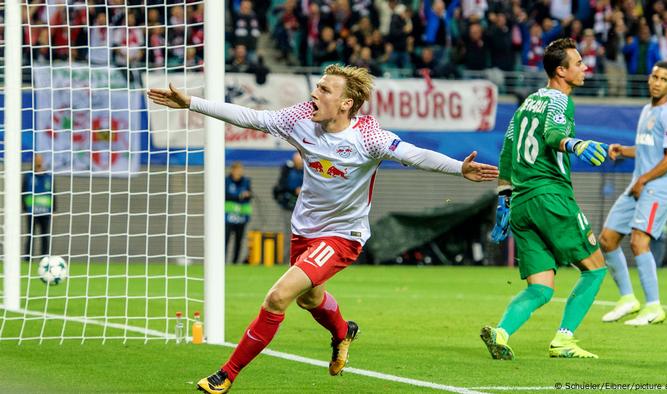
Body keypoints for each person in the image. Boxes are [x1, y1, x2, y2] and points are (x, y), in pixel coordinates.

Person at [148, 64, 499, 393]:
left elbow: (413, 154)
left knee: (278, 297)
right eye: (317, 86)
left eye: (325, 89)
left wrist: (458, 169)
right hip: (305, 231)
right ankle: (343, 332)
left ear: (346, 103)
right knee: (309, 298)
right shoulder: (300, 118)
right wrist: (190, 102)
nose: (315, 93)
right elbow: (252, 117)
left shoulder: (369, 137)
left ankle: (227, 374)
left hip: (343, 235)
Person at [485, 38, 612, 360]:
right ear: (561, 70)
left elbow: (506, 154)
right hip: (550, 196)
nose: (585, 68)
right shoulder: (559, 101)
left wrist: (504, 201)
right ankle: (564, 340)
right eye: (579, 63)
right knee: (595, 269)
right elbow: (554, 137)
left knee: (541, 287)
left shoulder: (526, 104)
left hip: (523, 204)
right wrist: (576, 145)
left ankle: (501, 332)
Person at [598, 61, 667, 326]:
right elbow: (648, 149)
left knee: (639, 242)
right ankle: (627, 299)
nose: (657, 82)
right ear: (649, 79)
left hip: (656, 188)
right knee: (607, 239)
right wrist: (623, 150)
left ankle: (654, 306)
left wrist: (643, 179)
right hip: (639, 185)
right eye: (654, 77)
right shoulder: (647, 109)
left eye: (664, 79)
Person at [22, 154, 55, 261]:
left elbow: (53, 193)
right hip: (32, 210)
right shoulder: (28, 176)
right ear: (34, 161)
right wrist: (24, 208)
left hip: (45, 211)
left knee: (45, 235)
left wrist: (54, 209)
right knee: (30, 234)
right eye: (37, 159)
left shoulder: (48, 177)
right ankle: (27, 258)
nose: (39, 161)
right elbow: (23, 192)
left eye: (40, 159)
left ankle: (44, 258)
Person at [273, 152, 304, 262]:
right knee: (289, 234)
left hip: (303, 209)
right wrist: (294, 189)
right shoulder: (287, 170)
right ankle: (286, 260)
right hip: (288, 206)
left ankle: (300, 260)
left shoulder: (306, 171)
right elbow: (281, 186)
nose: (300, 164)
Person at [225, 162, 252, 264]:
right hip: (228, 216)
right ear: (232, 170)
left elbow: (249, 195)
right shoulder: (227, 181)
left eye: (240, 170)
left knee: (239, 240)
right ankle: (223, 261)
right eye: (237, 170)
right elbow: (225, 195)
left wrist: (247, 195)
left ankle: (235, 262)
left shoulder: (246, 181)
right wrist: (239, 196)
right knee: (225, 239)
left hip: (241, 216)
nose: (239, 172)